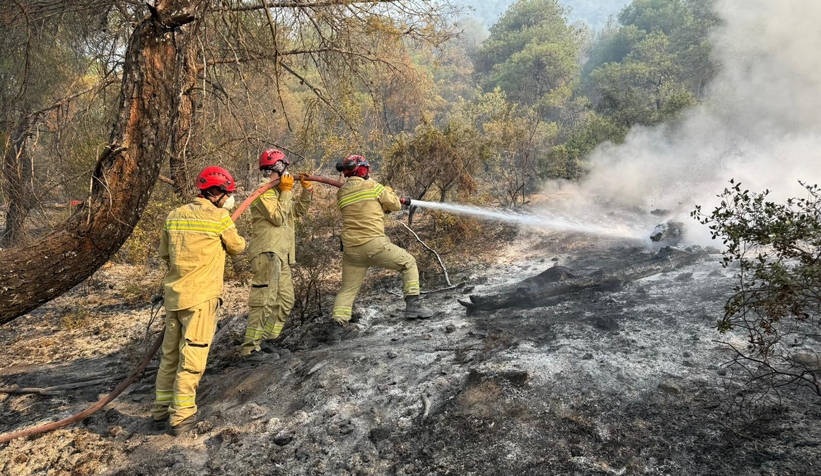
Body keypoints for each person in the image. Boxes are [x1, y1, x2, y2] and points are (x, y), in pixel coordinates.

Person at [152, 166, 246, 436]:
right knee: (191, 359)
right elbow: (238, 247)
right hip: (201, 299)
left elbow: (165, 254)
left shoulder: (174, 216)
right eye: (227, 193)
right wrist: (225, 218)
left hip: (175, 298)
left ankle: (160, 412)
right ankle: (181, 418)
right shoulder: (219, 217)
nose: (229, 198)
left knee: (169, 357)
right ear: (215, 193)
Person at [330, 154, 433, 330]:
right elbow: (395, 205)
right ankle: (413, 307)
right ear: (364, 169)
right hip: (374, 244)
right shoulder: (374, 187)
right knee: (408, 263)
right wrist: (388, 193)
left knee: (347, 289)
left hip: (351, 251)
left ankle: (336, 327)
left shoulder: (341, 193)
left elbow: (363, 206)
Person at [240, 149, 313, 361]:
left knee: (285, 299)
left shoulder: (280, 191)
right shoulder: (263, 190)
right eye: (284, 166)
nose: (287, 170)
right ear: (277, 166)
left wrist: (306, 192)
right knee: (264, 300)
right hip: (268, 252)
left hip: (282, 254)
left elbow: (295, 212)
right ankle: (249, 349)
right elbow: (278, 217)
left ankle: (265, 340)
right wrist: (287, 191)